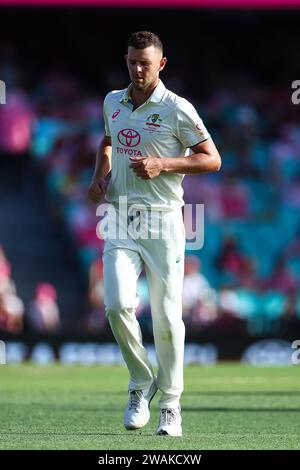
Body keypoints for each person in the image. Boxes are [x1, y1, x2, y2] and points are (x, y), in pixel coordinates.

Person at [88, 31, 221, 437]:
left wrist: (164, 164)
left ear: (161, 64)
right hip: (121, 218)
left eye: (145, 62)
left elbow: (212, 159)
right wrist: (100, 176)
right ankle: (139, 382)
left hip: (164, 221)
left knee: (165, 317)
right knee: (115, 305)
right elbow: (108, 141)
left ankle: (171, 404)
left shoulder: (178, 109)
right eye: (131, 61)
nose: (138, 69)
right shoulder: (114, 100)